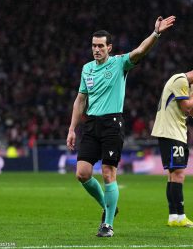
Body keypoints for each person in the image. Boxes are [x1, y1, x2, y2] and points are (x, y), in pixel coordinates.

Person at [66, 16, 176, 237]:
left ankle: (107, 224)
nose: (96, 49)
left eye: (100, 46)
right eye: (94, 45)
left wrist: (156, 34)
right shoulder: (86, 69)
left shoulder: (118, 63)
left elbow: (140, 51)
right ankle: (109, 207)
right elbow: (80, 100)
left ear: (109, 47)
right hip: (91, 125)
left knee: (108, 173)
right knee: (82, 173)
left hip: (111, 124)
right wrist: (71, 128)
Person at [151, 59, 193, 228]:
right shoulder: (180, 79)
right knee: (179, 173)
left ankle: (174, 216)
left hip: (176, 131)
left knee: (174, 174)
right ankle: (180, 216)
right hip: (170, 131)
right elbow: (187, 108)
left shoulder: (191, 86)